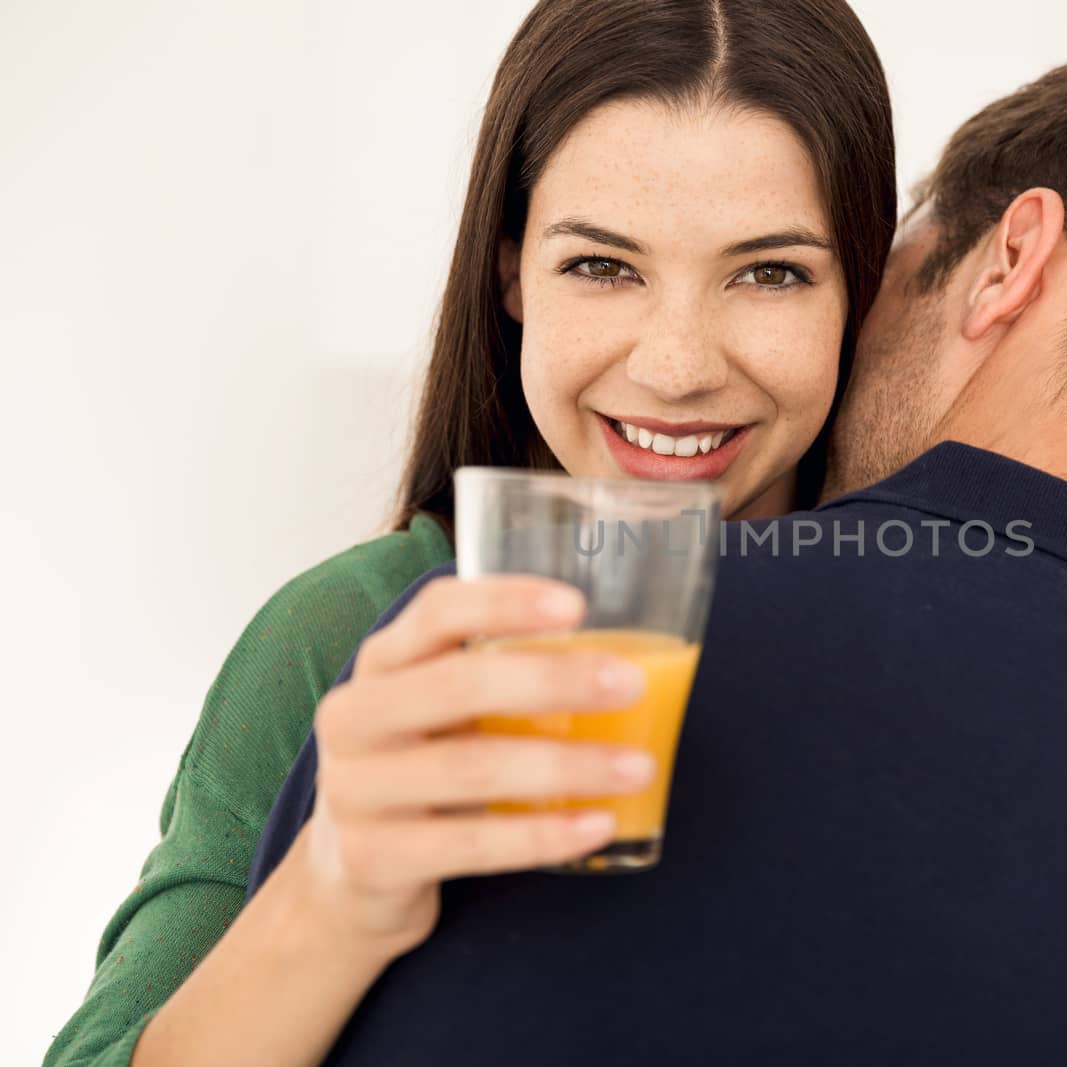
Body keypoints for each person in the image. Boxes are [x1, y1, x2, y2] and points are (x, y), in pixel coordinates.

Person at [247, 36, 1067, 1065]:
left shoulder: (543, 655)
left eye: (803, 273)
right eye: (603, 266)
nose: (683, 363)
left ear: (1008, 258)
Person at [44, 2, 895, 1064]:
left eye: (770, 272)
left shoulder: (927, 633)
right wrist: (330, 897)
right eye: (601, 265)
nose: (678, 365)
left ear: (860, 294)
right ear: (510, 275)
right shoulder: (349, 630)